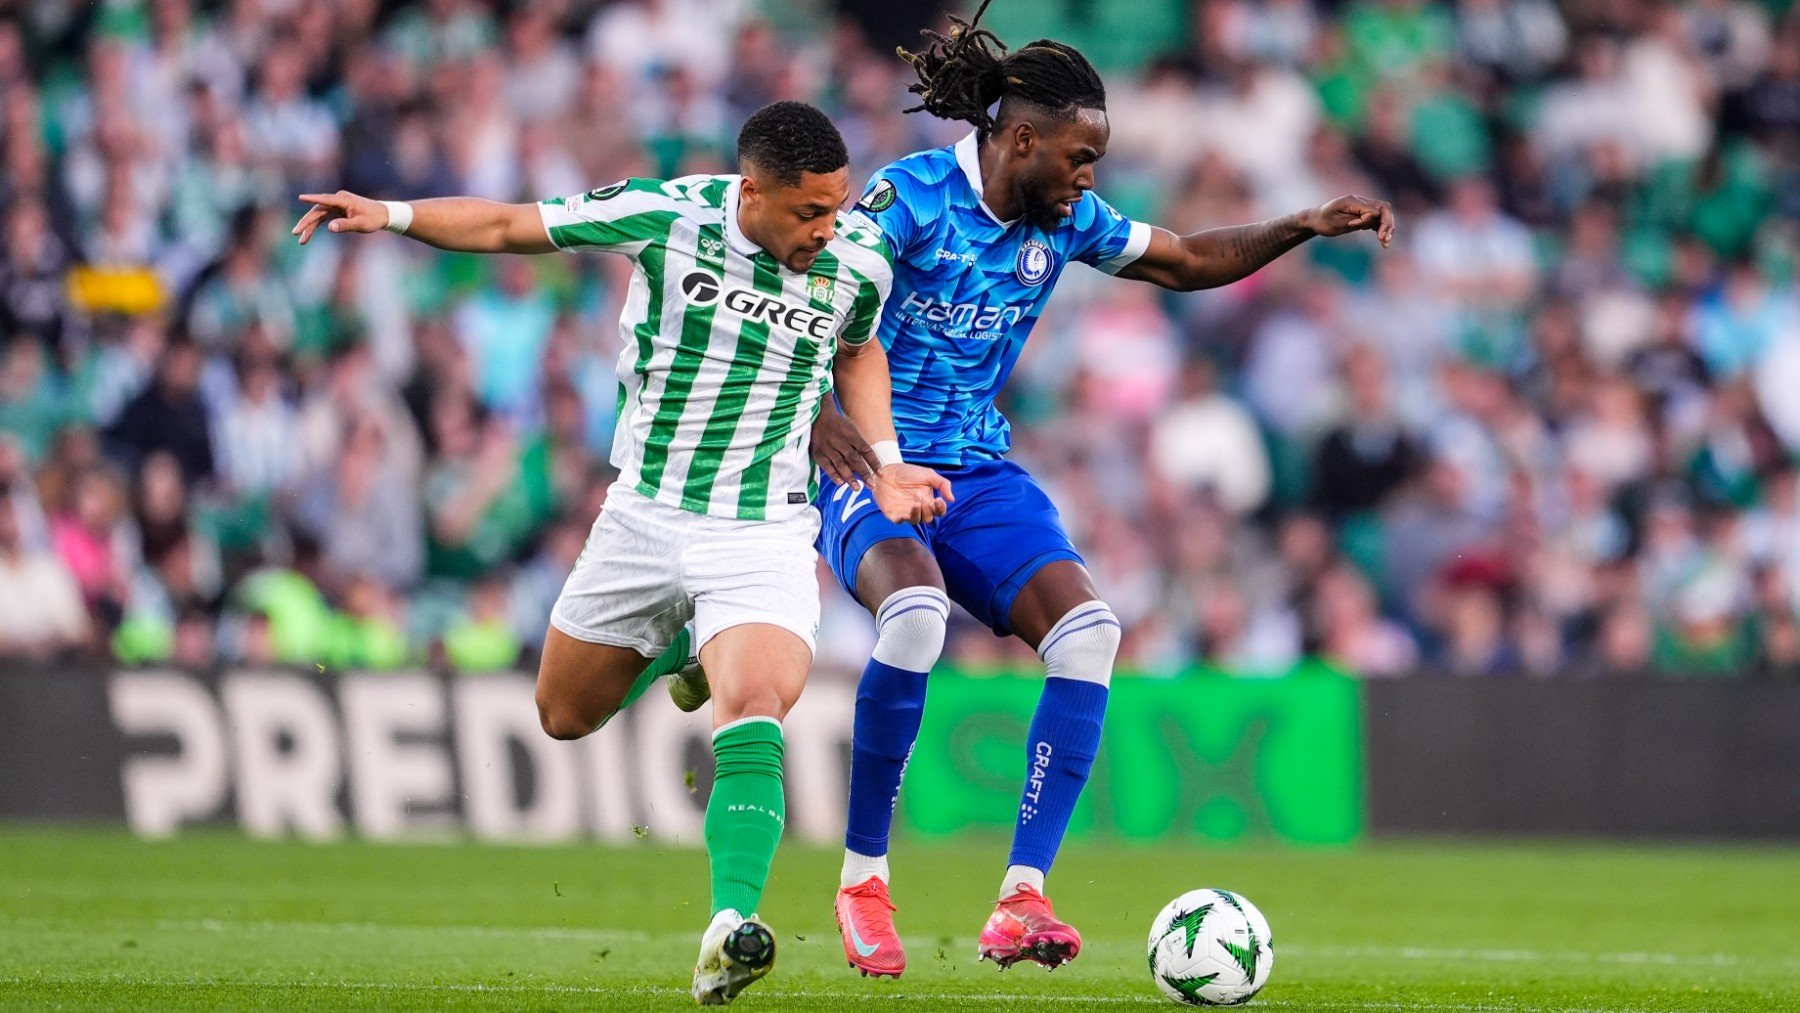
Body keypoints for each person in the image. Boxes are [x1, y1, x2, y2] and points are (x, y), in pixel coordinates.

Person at [663, 1, 1395, 978]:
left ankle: (1022, 894)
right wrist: (831, 428)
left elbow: (1182, 259)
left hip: (976, 465)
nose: (1089, 178)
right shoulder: (905, 204)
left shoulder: (1070, 220)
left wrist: (1300, 224)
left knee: (1090, 631)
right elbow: (811, 310)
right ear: (1020, 139)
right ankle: (864, 876)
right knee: (915, 611)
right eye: (1079, 157)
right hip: (864, 461)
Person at [291, 100, 951, 1006]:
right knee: (564, 713)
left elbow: (859, 347)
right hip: (643, 518)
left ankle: (728, 928)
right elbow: (509, 223)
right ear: (751, 191)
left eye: (836, 210)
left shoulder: (857, 262)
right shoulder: (669, 216)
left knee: (752, 703)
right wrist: (391, 215)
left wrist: (882, 463)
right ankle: (684, 649)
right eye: (809, 212)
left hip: (760, 526)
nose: (826, 231)